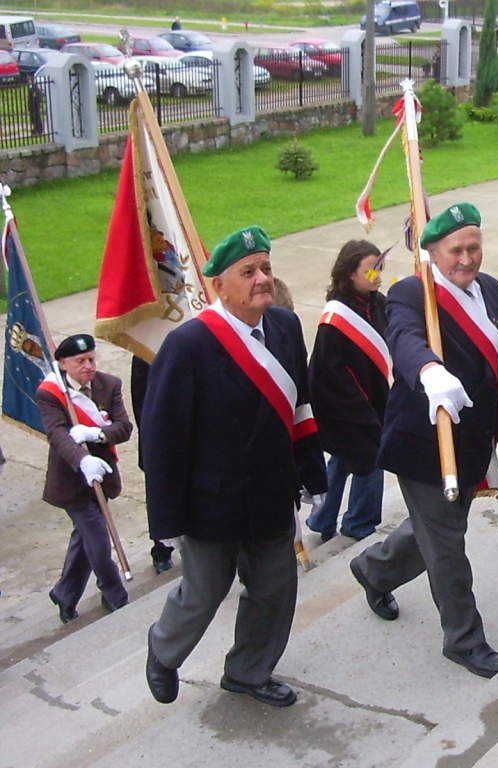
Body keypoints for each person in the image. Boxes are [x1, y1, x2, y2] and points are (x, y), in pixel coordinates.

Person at [142, 226, 328, 708]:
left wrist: (312, 475)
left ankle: (248, 671)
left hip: (271, 492)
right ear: (218, 286)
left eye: (265, 268)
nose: (262, 278)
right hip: (211, 502)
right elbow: (162, 442)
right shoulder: (187, 345)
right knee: (203, 594)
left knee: (274, 589)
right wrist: (163, 522)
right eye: (248, 272)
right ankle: (163, 651)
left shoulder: (285, 327)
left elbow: (300, 406)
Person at [349, 202, 498, 679]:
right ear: (431, 252)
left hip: (472, 443)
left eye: (474, 247)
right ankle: (464, 639)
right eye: (455, 250)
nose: (466, 259)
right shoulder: (411, 293)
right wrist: (430, 371)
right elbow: (402, 338)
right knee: (447, 542)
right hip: (425, 444)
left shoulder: (496, 293)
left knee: (434, 528)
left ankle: (375, 570)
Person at [37, 334, 132, 624]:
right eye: (80, 361)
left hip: (102, 477)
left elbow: (124, 427)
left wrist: (96, 434)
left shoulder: (109, 384)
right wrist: (82, 460)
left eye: (91, 358)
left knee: (85, 540)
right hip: (71, 481)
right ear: (63, 363)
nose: (88, 365)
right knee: (100, 543)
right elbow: (57, 435)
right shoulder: (51, 393)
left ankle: (65, 594)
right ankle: (115, 594)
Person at [306, 240, 389, 543]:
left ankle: (321, 518)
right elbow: (329, 374)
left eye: (379, 267)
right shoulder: (335, 319)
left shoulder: (379, 304)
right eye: (370, 270)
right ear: (350, 273)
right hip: (344, 407)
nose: (377, 275)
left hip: (375, 400)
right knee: (371, 457)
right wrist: (360, 409)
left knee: (342, 460)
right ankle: (359, 523)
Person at [129, 355, 175, 575]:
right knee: (160, 497)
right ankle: (161, 550)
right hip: (159, 438)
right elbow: (141, 402)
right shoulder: (143, 352)